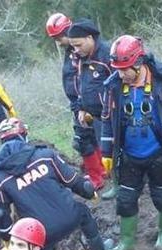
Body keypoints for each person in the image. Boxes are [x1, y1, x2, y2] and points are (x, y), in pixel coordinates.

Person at [101, 35, 162, 250]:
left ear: (138, 63)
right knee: (125, 200)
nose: (120, 74)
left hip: (159, 153)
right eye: (117, 69)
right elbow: (106, 118)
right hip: (129, 155)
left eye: (124, 69)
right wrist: (106, 152)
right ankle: (126, 241)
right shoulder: (113, 86)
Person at [0, 117, 105, 250]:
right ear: (23, 135)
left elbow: (1, 216)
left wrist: (8, 239)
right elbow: (74, 182)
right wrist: (89, 192)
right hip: (70, 217)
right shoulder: (45, 156)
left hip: (40, 235)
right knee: (83, 212)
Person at [66, 19, 109, 191]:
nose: (76, 50)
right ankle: (116, 181)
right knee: (104, 148)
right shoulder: (81, 58)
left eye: (78, 45)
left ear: (90, 38)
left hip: (110, 113)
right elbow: (83, 86)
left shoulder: (106, 55)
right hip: (95, 117)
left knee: (118, 149)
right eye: (73, 46)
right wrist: (81, 108)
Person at [45, 13, 80, 125]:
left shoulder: (81, 51)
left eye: (59, 39)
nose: (59, 43)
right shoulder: (69, 51)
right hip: (76, 106)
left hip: (85, 107)